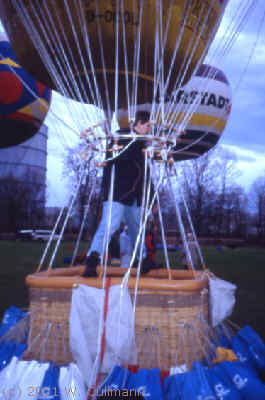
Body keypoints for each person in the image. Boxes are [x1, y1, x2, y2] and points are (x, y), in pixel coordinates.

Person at [82, 111, 155, 277]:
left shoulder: (142, 149)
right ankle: (93, 258)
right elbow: (116, 156)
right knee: (110, 225)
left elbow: (145, 174)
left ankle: (142, 258)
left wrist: (150, 197)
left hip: (134, 196)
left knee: (137, 228)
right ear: (137, 124)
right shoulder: (123, 138)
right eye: (146, 126)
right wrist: (139, 142)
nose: (148, 130)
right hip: (117, 193)